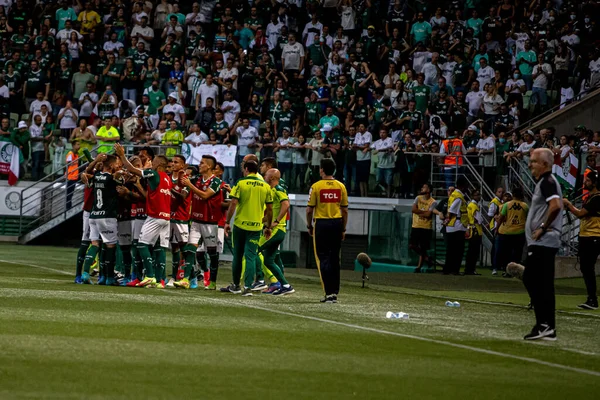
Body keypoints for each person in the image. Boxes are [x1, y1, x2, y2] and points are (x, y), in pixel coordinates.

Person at [114, 143, 172, 289]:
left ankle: (150, 276)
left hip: (155, 216)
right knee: (158, 248)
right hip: (166, 218)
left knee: (141, 244)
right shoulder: (167, 178)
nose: (151, 164)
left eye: (154, 162)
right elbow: (151, 196)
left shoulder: (154, 174)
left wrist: (122, 155)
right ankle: (159, 279)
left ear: (159, 164)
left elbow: (133, 169)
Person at [522, 148, 563, 340]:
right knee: (541, 282)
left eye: (533, 161)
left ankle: (544, 324)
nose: (530, 164)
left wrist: (543, 227)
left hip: (544, 241)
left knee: (533, 279)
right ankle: (547, 326)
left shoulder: (547, 181)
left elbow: (555, 206)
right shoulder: (547, 182)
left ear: (545, 164)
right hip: (544, 241)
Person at [221, 160, 273, 296]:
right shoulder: (265, 186)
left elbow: (233, 203)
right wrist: (267, 225)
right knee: (250, 256)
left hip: (240, 225)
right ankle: (248, 287)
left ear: (246, 169)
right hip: (256, 227)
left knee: (237, 256)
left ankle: (236, 285)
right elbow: (270, 209)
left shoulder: (241, 183)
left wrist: (227, 222)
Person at [306, 158, 348, 303]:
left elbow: (309, 210)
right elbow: (345, 210)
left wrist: (309, 226)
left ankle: (328, 292)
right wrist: (343, 228)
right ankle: (335, 292)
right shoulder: (341, 186)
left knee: (323, 258)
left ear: (322, 170)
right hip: (336, 223)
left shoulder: (316, 186)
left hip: (322, 224)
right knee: (335, 258)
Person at [177, 155, 222, 290]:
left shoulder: (216, 182)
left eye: (202, 163)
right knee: (191, 249)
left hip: (210, 222)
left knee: (212, 253)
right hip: (196, 220)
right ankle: (186, 279)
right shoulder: (196, 179)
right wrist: (181, 177)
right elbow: (183, 187)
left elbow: (205, 195)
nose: (199, 165)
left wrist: (189, 185)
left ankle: (212, 281)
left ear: (208, 166)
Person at [80, 153, 123, 285]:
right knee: (110, 246)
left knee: (95, 244)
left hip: (94, 215)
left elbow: (85, 175)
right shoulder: (112, 178)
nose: (118, 166)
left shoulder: (95, 176)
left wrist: (94, 162)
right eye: (116, 163)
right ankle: (108, 277)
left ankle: (85, 273)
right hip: (107, 215)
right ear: (111, 165)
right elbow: (120, 184)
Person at [563, 171, 600, 310]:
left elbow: (580, 214)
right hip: (588, 236)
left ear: (594, 183)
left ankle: (592, 299)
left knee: (587, 268)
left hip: (593, 236)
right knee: (586, 268)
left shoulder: (596, 198)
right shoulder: (591, 197)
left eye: (588, 181)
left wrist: (568, 204)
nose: (584, 183)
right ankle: (591, 298)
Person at [257, 168, 295, 295]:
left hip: (276, 230)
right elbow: (270, 212)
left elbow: (286, 204)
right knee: (268, 260)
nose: (264, 176)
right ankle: (285, 285)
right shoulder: (272, 190)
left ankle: (257, 281)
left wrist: (277, 221)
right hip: (274, 230)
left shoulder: (278, 189)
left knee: (253, 250)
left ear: (272, 177)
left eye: (266, 175)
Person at [165, 155, 191, 288]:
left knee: (184, 249)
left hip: (181, 218)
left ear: (182, 165)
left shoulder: (185, 180)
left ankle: (190, 275)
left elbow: (183, 197)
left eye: (176, 162)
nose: (173, 164)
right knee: (173, 248)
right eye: (172, 162)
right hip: (168, 217)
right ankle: (174, 277)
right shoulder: (168, 178)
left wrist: (171, 189)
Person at [497, 186, 528, 277]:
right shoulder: (525, 206)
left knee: (506, 253)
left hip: (507, 232)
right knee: (517, 253)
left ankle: (507, 271)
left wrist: (497, 229)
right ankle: (516, 273)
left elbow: (501, 218)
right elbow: (528, 218)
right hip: (520, 232)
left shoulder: (507, 205)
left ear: (513, 195)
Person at [444, 176, 469, 275]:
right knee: (458, 250)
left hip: (452, 225)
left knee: (451, 250)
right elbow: (452, 210)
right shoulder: (459, 197)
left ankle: (447, 269)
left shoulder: (453, 195)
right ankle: (454, 270)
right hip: (457, 225)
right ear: (462, 186)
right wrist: (448, 219)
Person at [410, 183, 436, 273]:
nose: (422, 188)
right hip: (416, 225)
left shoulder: (433, 202)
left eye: (424, 187)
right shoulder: (418, 198)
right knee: (412, 245)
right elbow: (413, 210)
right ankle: (427, 258)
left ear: (428, 190)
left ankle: (419, 267)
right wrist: (424, 212)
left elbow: (428, 215)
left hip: (426, 227)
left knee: (423, 247)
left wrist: (419, 212)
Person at [465, 189, 483, 275]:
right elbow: (479, 220)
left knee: (471, 251)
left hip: (472, 229)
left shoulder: (470, 205)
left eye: (479, 195)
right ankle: (471, 269)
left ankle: (469, 269)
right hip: (476, 230)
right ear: (473, 196)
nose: (479, 196)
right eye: (477, 195)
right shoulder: (474, 206)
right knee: (474, 252)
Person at [488, 186, 505, 275]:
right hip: (495, 226)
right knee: (495, 246)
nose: (501, 193)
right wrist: (495, 218)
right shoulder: (494, 202)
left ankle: (497, 264)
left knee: (498, 246)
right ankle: (493, 264)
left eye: (502, 192)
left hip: (499, 226)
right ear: (495, 192)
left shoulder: (501, 202)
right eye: (499, 192)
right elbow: (490, 214)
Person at [65, 140, 81, 210]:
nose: (79, 146)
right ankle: (68, 208)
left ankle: (69, 207)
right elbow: (67, 164)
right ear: (73, 146)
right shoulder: (70, 154)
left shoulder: (77, 154)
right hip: (70, 176)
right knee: (69, 194)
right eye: (77, 144)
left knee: (71, 193)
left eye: (79, 144)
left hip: (74, 176)